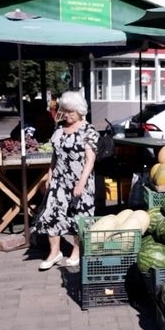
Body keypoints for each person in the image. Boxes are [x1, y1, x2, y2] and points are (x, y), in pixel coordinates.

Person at [33, 91, 99, 270]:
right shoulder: (59, 130)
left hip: (79, 180)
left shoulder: (88, 130)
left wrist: (81, 183)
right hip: (59, 180)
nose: (67, 115)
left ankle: (76, 251)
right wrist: (49, 175)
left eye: (71, 112)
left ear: (80, 111)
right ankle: (55, 252)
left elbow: (90, 160)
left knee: (79, 217)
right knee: (51, 214)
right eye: (65, 111)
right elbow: (55, 156)